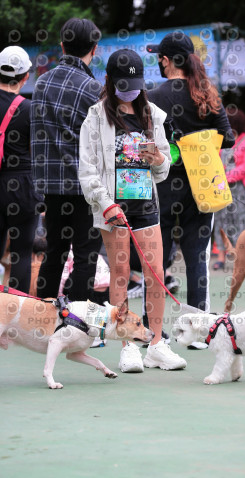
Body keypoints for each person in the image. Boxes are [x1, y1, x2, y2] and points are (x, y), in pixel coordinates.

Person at [79, 48, 187, 372]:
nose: (129, 92)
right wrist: (106, 203)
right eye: (122, 86)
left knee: (155, 275)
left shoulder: (153, 114)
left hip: (147, 207)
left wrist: (158, 160)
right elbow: (87, 171)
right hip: (114, 209)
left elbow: (163, 169)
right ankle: (127, 345)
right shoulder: (95, 117)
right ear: (109, 82)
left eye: (134, 85)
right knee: (122, 275)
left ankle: (156, 344)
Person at [145, 33, 235, 317]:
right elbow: (228, 138)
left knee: (157, 258)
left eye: (160, 57)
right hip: (202, 184)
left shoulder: (153, 96)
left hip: (162, 186)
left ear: (167, 61)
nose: (159, 62)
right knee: (196, 256)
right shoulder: (207, 93)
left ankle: (153, 326)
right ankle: (198, 328)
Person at [31, 18, 103, 301]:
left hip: (50, 186)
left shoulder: (41, 83)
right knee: (86, 256)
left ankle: (46, 320)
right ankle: (77, 323)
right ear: (94, 49)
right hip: (85, 188)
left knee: (54, 253)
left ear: (62, 46)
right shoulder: (94, 90)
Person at [0, 46, 41, 293]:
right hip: (23, 187)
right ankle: (16, 319)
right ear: (26, 76)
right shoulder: (29, 109)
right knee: (22, 254)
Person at [213, 109, 245, 269]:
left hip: (242, 191)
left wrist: (226, 177)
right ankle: (221, 256)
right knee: (222, 221)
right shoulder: (222, 142)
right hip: (223, 189)